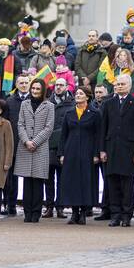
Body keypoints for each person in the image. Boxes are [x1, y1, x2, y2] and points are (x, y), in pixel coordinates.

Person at [99, 75, 134, 227]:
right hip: (111, 148)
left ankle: (126, 215)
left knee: (127, 185)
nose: (119, 86)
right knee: (112, 184)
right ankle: (115, 215)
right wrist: (102, 150)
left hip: (129, 150)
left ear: (129, 85)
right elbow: (103, 128)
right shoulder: (108, 104)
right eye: (117, 84)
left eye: (122, 84)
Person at [57, 86, 101, 224]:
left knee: (86, 182)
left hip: (88, 152)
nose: (78, 95)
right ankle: (74, 212)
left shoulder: (95, 113)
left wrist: (96, 154)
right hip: (71, 152)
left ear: (87, 96)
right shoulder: (69, 112)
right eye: (77, 93)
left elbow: (98, 135)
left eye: (81, 94)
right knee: (72, 182)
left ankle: (83, 212)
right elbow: (63, 135)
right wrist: (62, 153)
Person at [14, 77, 54, 223]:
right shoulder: (24, 104)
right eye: (33, 88)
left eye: (38, 89)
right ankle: (27, 212)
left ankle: (36, 212)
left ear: (42, 90)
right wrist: (26, 141)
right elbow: (20, 124)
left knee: (37, 182)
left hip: (40, 148)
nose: (35, 91)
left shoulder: (49, 106)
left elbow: (49, 128)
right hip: (25, 147)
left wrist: (35, 142)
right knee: (26, 182)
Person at [3, 74, 31, 216]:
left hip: (30, 144)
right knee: (10, 179)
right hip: (13, 143)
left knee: (29, 177)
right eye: (21, 83)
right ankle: (10, 205)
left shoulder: (34, 100)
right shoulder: (9, 101)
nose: (24, 85)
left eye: (26, 82)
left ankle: (28, 206)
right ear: (17, 84)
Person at [46, 78, 73, 218]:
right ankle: (49, 206)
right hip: (48, 145)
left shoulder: (72, 103)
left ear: (67, 87)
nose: (58, 87)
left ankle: (60, 207)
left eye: (61, 85)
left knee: (62, 178)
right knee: (48, 178)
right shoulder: (47, 102)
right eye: (56, 85)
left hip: (64, 146)